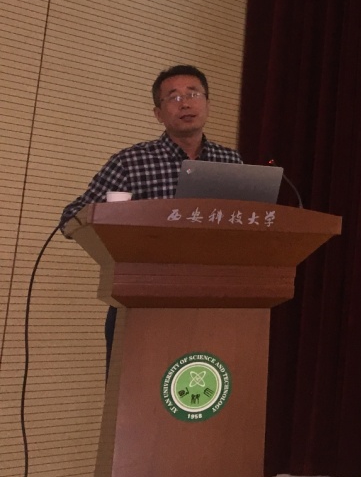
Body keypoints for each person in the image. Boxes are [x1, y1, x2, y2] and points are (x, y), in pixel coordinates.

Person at [61, 65, 242, 369]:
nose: (185, 103)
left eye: (193, 94)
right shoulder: (131, 162)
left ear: (208, 104)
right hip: (141, 298)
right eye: (174, 97)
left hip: (213, 299)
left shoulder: (231, 161)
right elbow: (71, 218)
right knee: (135, 392)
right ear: (158, 113)